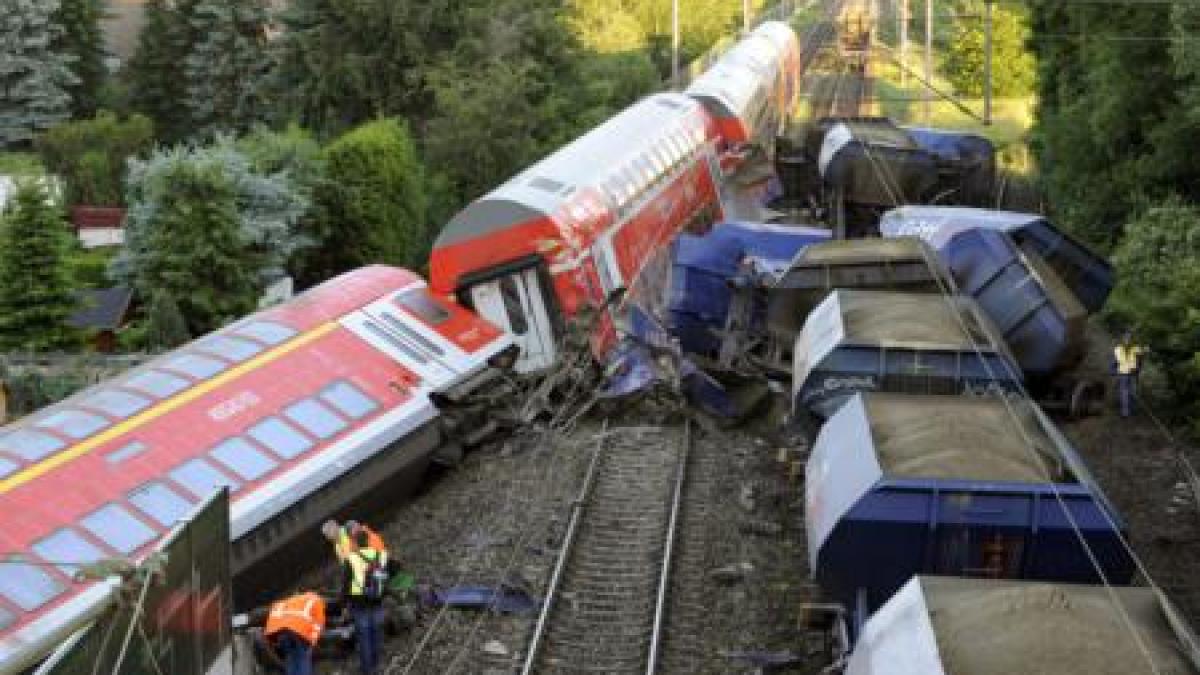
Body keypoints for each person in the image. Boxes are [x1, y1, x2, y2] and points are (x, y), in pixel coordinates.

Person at [341, 529, 388, 674]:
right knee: (377, 635)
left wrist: (344, 605)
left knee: (364, 638)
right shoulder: (380, 556)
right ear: (367, 540)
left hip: (359, 604)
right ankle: (376, 665)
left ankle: (368, 670)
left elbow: (346, 585)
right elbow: (385, 578)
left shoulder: (351, 559)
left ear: (355, 542)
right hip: (376, 601)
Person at [263, 591, 326, 675]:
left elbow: (273, 616)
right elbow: (318, 626)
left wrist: (272, 638)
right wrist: (312, 644)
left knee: (291, 659)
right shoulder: (317, 601)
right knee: (302, 659)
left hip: (280, 632)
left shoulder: (288, 601)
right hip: (298, 631)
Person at [322, 519, 388, 564]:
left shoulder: (349, 530)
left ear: (336, 526)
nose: (328, 537)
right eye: (327, 535)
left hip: (374, 557)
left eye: (329, 532)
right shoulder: (337, 547)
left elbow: (370, 541)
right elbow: (346, 562)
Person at [1113, 330, 1146, 418]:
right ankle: (1125, 412)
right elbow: (1115, 361)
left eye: (1129, 337)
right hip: (1122, 373)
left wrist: (1138, 370)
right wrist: (1113, 371)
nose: (1127, 339)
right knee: (1124, 392)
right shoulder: (1118, 349)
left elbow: (1141, 360)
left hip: (1133, 373)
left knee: (1133, 392)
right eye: (1125, 337)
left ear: (1132, 339)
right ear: (1122, 338)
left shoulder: (1136, 349)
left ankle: (1132, 408)